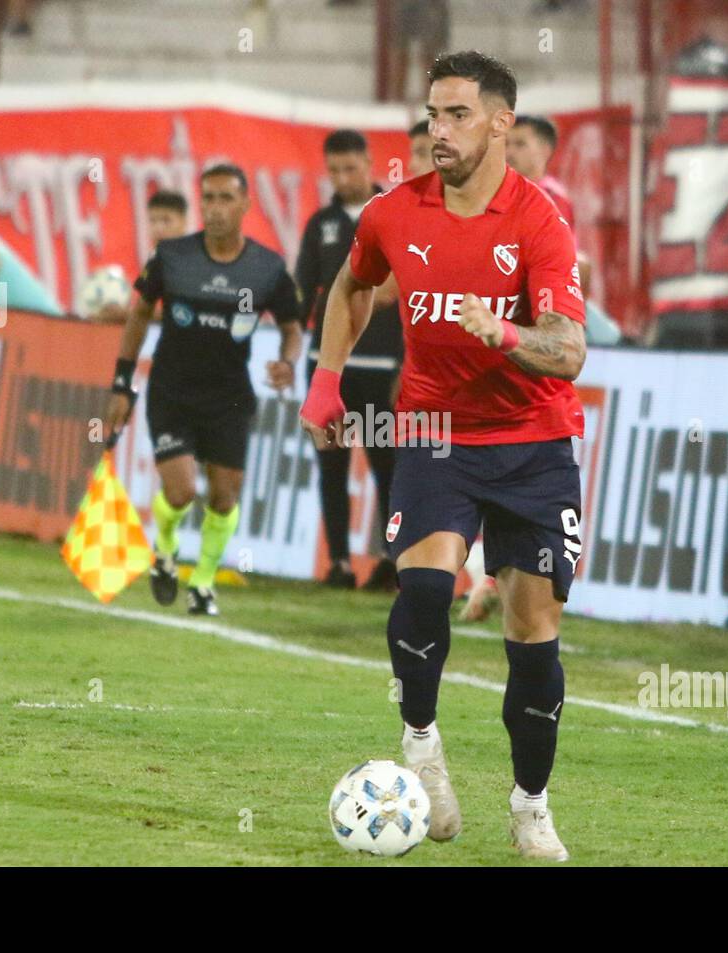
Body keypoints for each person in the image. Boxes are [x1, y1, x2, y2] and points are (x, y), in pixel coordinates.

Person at [300, 51, 587, 861]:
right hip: (433, 430)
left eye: (457, 115)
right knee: (424, 588)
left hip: (534, 444)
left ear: (502, 123)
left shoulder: (539, 225)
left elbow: (569, 352)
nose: (439, 131)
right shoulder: (393, 213)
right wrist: (327, 379)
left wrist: (507, 334)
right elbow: (352, 287)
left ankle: (530, 805)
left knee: (533, 630)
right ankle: (421, 745)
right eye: (432, 115)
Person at [105, 164, 302, 617]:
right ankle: (167, 546)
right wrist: (121, 382)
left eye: (225, 199)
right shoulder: (172, 256)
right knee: (180, 493)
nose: (215, 209)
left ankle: (205, 583)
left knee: (224, 496)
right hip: (172, 392)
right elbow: (138, 314)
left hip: (230, 397)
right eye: (208, 198)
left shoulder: (268, 269)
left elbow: (292, 328)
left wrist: (288, 363)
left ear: (245, 204)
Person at [297, 130, 402, 591]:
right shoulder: (320, 224)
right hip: (329, 366)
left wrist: (406, 361)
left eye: (350, 168)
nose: (342, 178)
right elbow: (303, 291)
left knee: (387, 468)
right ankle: (338, 562)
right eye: (334, 170)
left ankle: (391, 561)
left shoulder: (396, 214)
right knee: (332, 466)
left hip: (381, 367)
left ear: (369, 162)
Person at [91, 190, 189, 325]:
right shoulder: (154, 263)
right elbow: (141, 306)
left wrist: (124, 315)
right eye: (153, 221)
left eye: (166, 220)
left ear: (184, 222)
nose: (158, 228)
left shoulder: (193, 263)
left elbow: (183, 316)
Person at [506, 115, 575, 227]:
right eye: (506, 144)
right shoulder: (501, 194)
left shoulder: (552, 198)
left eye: (520, 144)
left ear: (545, 150)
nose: (509, 152)